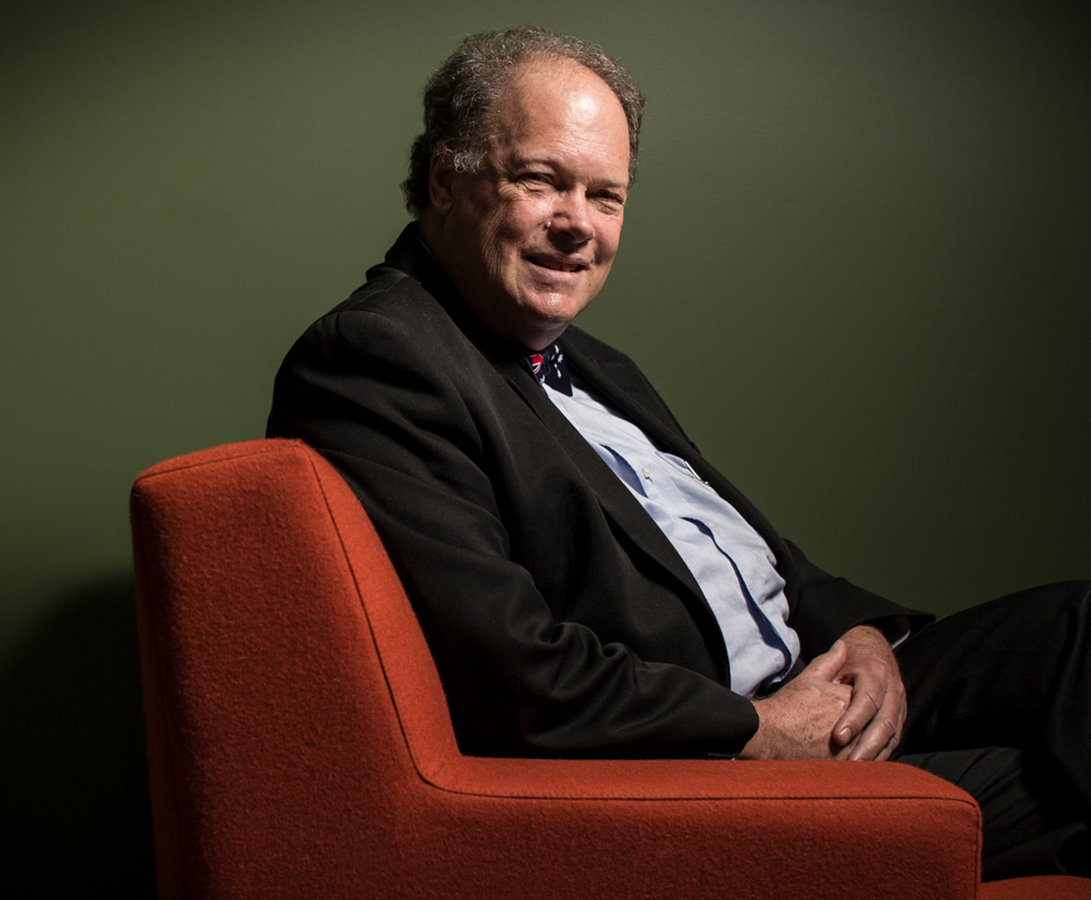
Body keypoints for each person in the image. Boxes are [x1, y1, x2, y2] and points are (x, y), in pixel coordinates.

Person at [266, 27, 1089, 880]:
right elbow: (512, 672)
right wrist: (760, 732)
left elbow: (754, 554)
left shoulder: (593, 363)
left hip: (813, 675)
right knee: (1066, 791)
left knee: (1082, 629)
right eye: (541, 180)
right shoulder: (380, 358)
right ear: (446, 177)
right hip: (710, 743)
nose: (577, 225)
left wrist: (868, 635)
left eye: (605, 195)